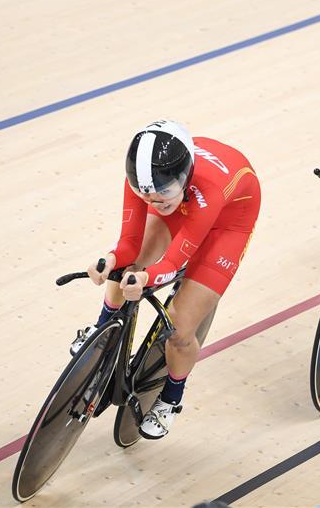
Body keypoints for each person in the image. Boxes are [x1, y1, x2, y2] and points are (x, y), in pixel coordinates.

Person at [72, 119, 260, 439]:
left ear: (184, 176)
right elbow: (128, 244)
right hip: (184, 204)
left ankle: (171, 398)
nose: (154, 202)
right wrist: (111, 262)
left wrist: (146, 278)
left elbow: (174, 261)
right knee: (127, 267)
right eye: (146, 197)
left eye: (162, 194)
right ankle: (103, 328)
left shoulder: (207, 190)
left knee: (180, 328)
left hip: (227, 224)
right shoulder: (148, 184)